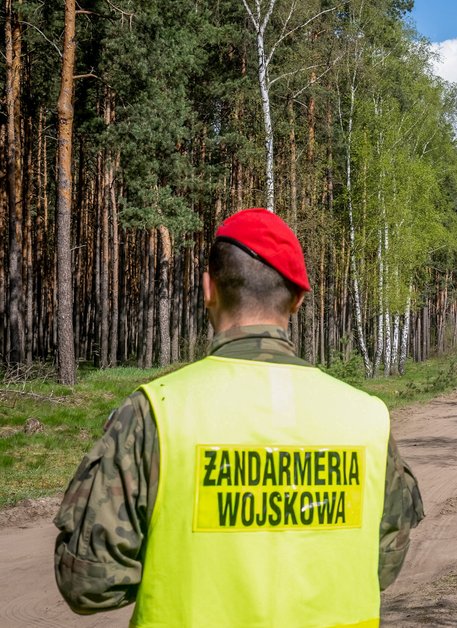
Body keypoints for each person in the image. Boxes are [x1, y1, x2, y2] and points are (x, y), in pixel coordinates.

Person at [54, 208, 424, 627]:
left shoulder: (156, 412)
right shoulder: (367, 417)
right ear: (298, 299)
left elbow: (89, 585)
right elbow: (384, 564)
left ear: (207, 287)